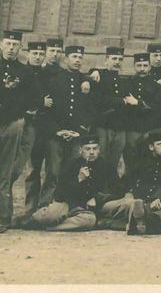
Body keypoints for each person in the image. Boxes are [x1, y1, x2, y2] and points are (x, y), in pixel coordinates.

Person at [0, 30, 42, 230]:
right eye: (7, 44)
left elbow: (36, 98)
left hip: (13, 123)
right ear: (0, 45)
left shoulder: (26, 73)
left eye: (15, 45)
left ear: (20, 48)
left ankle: (2, 215)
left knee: (6, 170)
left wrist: (22, 116)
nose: (11, 48)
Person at [15, 135, 121, 231]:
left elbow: (117, 190)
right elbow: (59, 194)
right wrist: (78, 179)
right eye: (87, 149)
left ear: (99, 150)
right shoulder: (72, 165)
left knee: (89, 220)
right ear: (80, 150)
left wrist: (98, 198)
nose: (92, 152)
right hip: (67, 204)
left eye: (95, 148)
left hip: (85, 210)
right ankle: (27, 221)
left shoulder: (106, 166)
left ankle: (49, 227)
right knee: (51, 215)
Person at [41, 45, 96, 212]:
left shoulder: (87, 82)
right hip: (57, 135)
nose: (77, 61)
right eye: (74, 57)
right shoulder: (54, 81)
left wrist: (80, 130)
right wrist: (58, 130)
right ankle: (45, 207)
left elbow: (92, 109)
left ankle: (71, 206)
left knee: (74, 171)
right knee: (54, 172)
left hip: (77, 135)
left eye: (80, 58)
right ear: (66, 60)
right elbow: (47, 111)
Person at [94, 129, 161, 230]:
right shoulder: (141, 164)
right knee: (128, 205)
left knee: (158, 215)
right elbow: (125, 184)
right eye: (160, 144)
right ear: (151, 147)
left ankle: (111, 223)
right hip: (138, 200)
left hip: (157, 202)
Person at [22, 37, 64, 215]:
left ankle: (44, 208)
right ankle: (30, 209)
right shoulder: (27, 73)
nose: (53, 54)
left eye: (58, 51)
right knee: (32, 171)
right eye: (36, 53)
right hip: (34, 128)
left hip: (53, 129)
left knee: (53, 171)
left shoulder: (60, 74)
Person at [9, 41, 47, 204]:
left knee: (36, 168)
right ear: (28, 54)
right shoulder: (21, 72)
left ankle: (32, 208)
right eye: (35, 54)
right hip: (24, 123)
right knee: (16, 166)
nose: (38, 57)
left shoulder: (49, 74)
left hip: (43, 127)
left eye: (41, 54)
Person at [122, 52, 161, 173]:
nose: (142, 69)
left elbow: (159, 107)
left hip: (149, 127)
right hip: (132, 126)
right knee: (130, 155)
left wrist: (138, 103)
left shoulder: (156, 86)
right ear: (134, 66)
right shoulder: (127, 83)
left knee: (147, 155)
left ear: (150, 67)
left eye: (145, 66)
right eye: (139, 65)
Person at [88, 46, 128, 169]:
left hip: (119, 126)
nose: (117, 62)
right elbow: (99, 100)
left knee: (114, 161)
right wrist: (122, 101)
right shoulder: (99, 76)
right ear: (106, 60)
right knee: (101, 159)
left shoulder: (122, 81)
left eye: (120, 59)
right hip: (103, 125)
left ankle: (110, 188)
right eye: (114, 58)